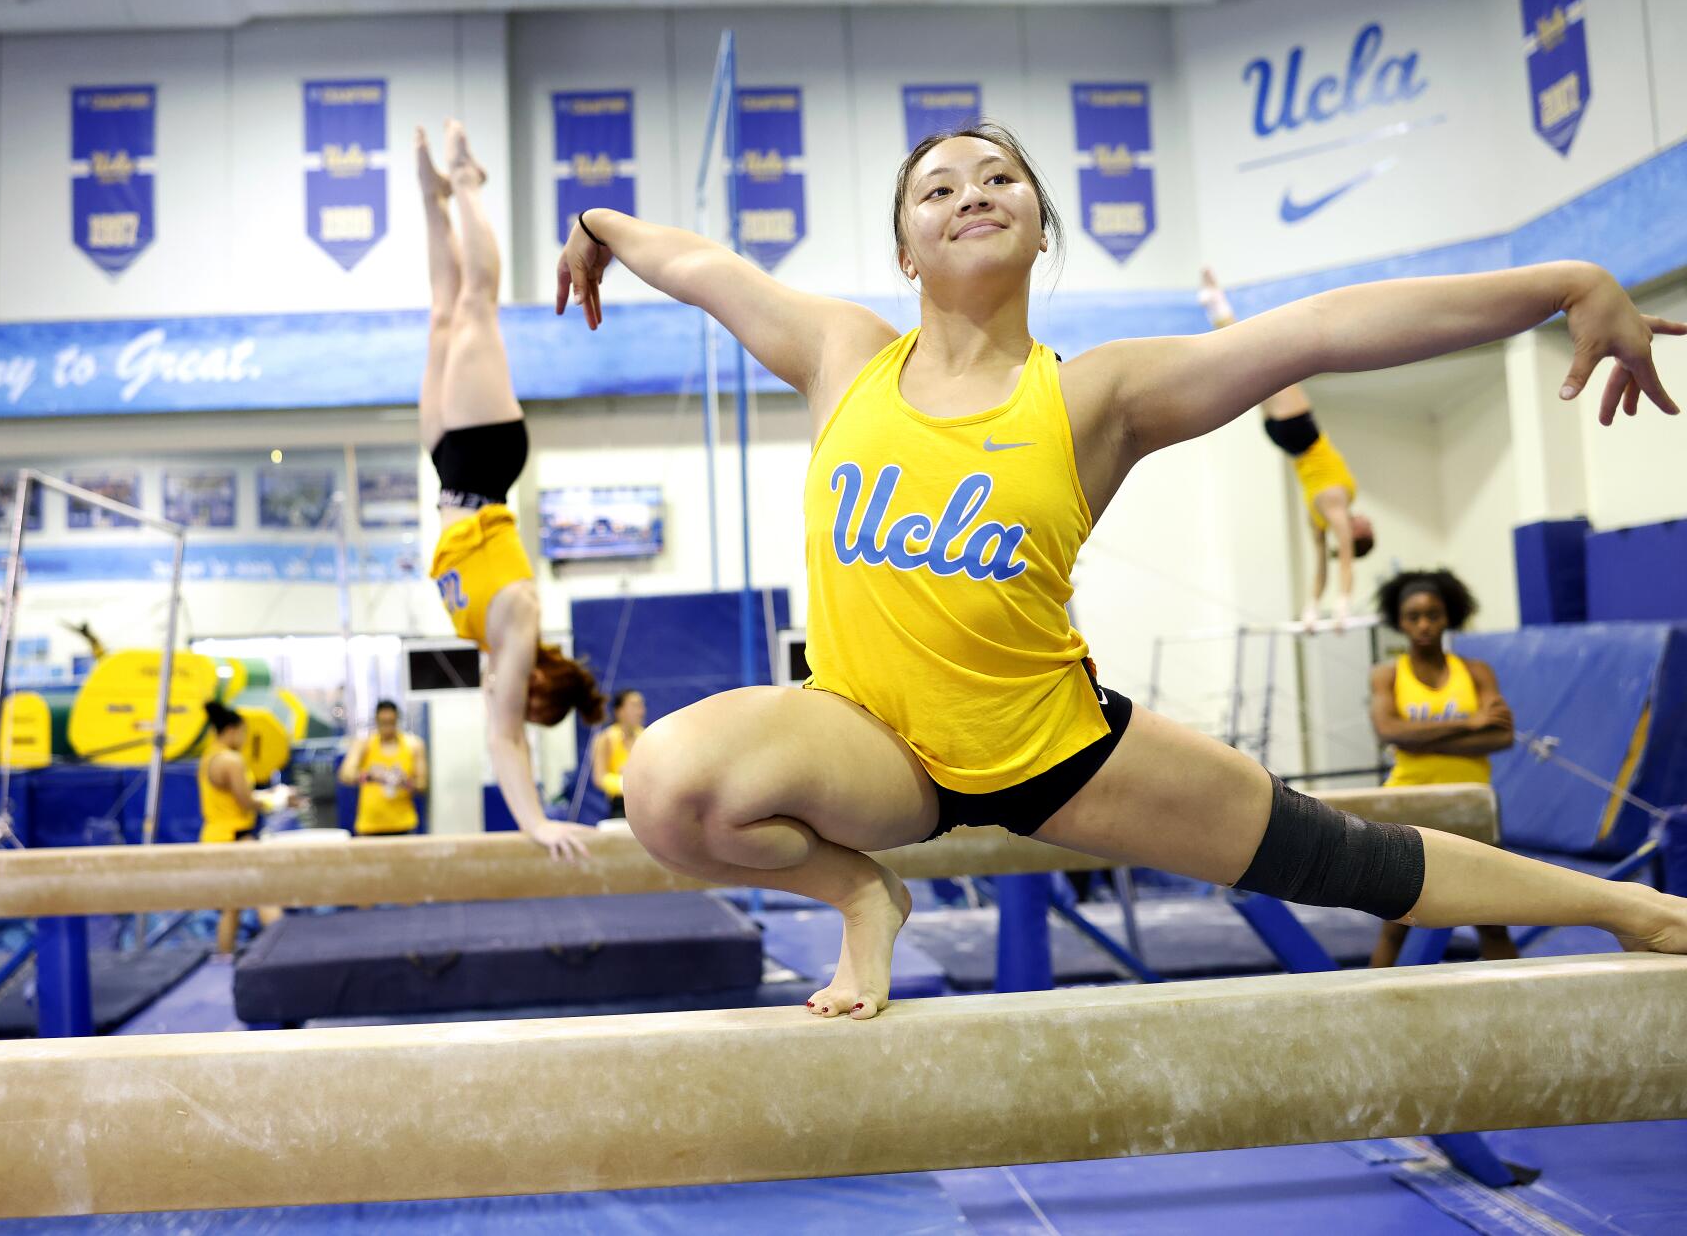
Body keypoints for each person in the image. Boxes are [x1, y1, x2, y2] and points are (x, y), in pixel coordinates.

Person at [556, 120, 1687, 1020]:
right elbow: (703, 266)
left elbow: (1323, 329)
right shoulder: (842, 355)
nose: (972, 193)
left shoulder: (1095, 395)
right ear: (903, 250)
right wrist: (597, 222)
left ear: (1041, 228)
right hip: (868, 739)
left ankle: (1628, 907)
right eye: (936, 187)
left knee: (1345, 858)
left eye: (999, 176)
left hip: (1059, 749)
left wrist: (1564, 281)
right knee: (666, 782)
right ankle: (864, 889)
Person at [418, 119, 607, 859]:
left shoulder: (492, 643)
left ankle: (434, 202)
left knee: (441, 314)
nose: (512, 704)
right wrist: (535, 823)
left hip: (449, 470)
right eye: (532, 706)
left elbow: (502, 722)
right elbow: (503, 740)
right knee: (476, 305)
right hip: (487, 458)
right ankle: (468, 184)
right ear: (542, 685)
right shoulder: (520, 623)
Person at [1200, 267, 1375, 628]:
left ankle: (1217, 303)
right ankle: (1215, 306)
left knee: (1260, 356)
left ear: (1358, 534)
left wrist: (1342, 605)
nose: (1366, 521)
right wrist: (1311, 609)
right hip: (1286, 437)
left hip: (1302, 433)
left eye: (1366, 529)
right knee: (1247, 365)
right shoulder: (1320, 520)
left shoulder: (1334, 506)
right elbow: (1321, 567)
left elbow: (1342, 561)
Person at [1368, 569, 1520, 964]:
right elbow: (1389, 730)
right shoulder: (1387, 675)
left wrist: (1418, 735)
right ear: (1399, 621)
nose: (1423, 625)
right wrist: (1467, 723)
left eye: (1432, 615)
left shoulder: (1475, 672)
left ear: (1448, 616)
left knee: (1493, 919)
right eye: (1413, 616)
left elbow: (1501, 737)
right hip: (1407, 806)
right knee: (1396, 922)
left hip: (1469, 808)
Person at [199, 700, 282, 956]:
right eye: (245, 733)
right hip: (233, 839)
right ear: (233, 730)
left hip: (217, 837)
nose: (246, 739)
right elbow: (245, 801)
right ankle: (286, 954)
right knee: (265, 895)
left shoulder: (209, 756)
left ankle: (224, 959)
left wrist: (270, 794)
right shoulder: (231, 760)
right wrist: (276, 800)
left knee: (232, 906)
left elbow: (239, 795)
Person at [340, 700, 428, 836]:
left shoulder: (413, 745)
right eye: (383, 723)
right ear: (377, 721)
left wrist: (405, 782)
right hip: (370, 825)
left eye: (391, 723)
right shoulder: (364, 744)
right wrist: (371, 776)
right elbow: (345, 775)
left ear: (397, 720)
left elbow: (422, 785)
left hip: (403, 824)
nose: (387, 728)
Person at [588, 689, 646, 819]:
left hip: (645, 802)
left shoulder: (645, 736)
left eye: (641, 705)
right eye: (634, 705)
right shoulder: (605, 739)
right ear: (619, 711)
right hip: (620, 805)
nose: (640, 711)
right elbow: (599, 778)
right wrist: (624, 783)